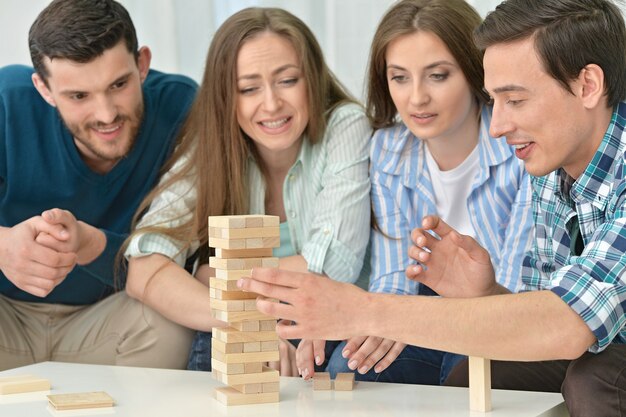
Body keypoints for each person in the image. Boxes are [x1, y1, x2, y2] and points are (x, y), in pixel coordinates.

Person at [239, 0, 626, 415]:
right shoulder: (551, 165)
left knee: (594, 382)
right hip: (590, 337)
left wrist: (361, 310)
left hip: (599, 351)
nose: (497, 126)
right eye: (495, 101)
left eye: (514, 100)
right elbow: (541, 315)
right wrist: (486, 294)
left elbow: (566, 324)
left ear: (587, 85)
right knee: (466, 381)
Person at [123, 7, 371, 374]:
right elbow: (145, 267)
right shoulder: (212, 145)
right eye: (249, 88)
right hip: (249, 323)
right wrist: (244, 321)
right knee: (212, 345)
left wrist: (215, 275)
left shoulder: (346, 126)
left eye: (287, 80)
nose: (271, 104)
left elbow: (332, 266)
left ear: (312, 78)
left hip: (334, 325)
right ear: (227, 98)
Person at [302, 0, 533, 386]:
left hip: (499, 311)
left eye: (438, 76)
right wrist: (381, 318)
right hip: (420, 307)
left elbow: (515, 291)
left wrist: (406, 318)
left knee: (461, 373)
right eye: (400, 78)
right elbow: (394, 275)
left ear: (475, 72)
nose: (416, 98)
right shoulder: (388, 149)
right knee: (350, 366)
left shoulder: (520, 146)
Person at [0, 0, 197, 371]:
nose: (106, 114)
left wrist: (91, 245)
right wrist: (4, 245)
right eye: (79, 97)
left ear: (142, 64)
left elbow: (177, 255)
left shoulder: (183, 109)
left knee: (171, 320)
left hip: (108, 323)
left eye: (119, 84)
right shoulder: (5, 103)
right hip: (6, 318)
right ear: (43, 89)